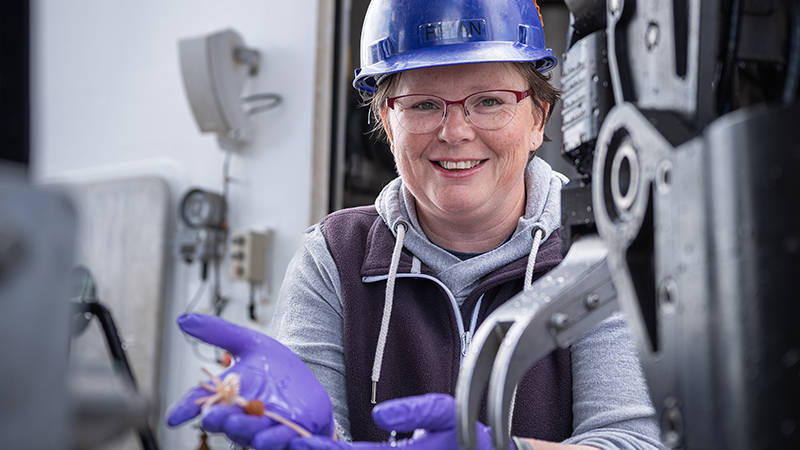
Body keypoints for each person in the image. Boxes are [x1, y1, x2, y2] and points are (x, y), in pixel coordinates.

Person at [168, 1, 665, 449]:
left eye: (489, 100)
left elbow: (633, 441)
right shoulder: (333, 257)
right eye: (423, 104)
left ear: (539, 118)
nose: (454, 131)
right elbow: (304, 439)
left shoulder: (599, 250)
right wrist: (292, 435)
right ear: (388, 121)